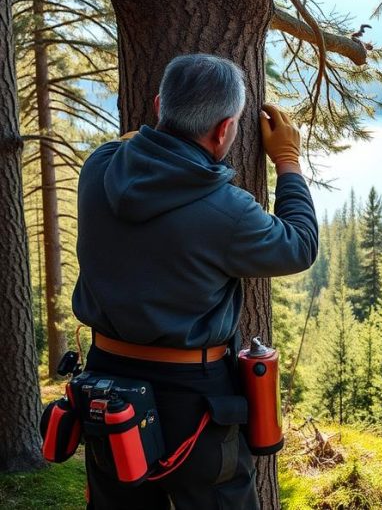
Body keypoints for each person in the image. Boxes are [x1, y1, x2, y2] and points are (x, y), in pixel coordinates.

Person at [71, 54, 318, 509]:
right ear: (224, 129)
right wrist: (287, 162)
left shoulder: (99, 169)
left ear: (161, 103)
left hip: (106, 384)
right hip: (194, 399)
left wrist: (150, 140)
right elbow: (299, 244)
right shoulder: (227, 211)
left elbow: (120, 145)